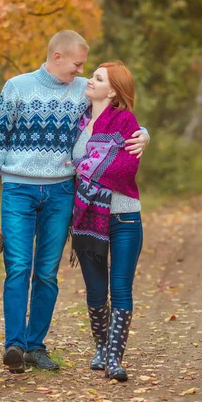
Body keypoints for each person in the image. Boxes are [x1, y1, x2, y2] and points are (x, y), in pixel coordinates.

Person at [0, 31, 149, 374]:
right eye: (78, 64)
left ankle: (35, 348)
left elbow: (118, 114)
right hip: (18, 190)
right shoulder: (16, 87)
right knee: (19, 267)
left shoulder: (82, 89)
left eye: (85, 67)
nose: (82, 71)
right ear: (58, 57)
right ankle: (14, 345)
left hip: (61, 193)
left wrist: (143, 134)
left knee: (47, 273)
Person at [70, 61, 143, 382]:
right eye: (92, 75)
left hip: (125, 216)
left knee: (121, 288)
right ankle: (101, 347)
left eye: (97, 78)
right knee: (96, 290)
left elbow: (125, 168)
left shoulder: (125, 120)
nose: (90, 80)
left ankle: (114, 358)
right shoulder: (78, 121)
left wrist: (81, 167)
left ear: (112, 90)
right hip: (86, 218)